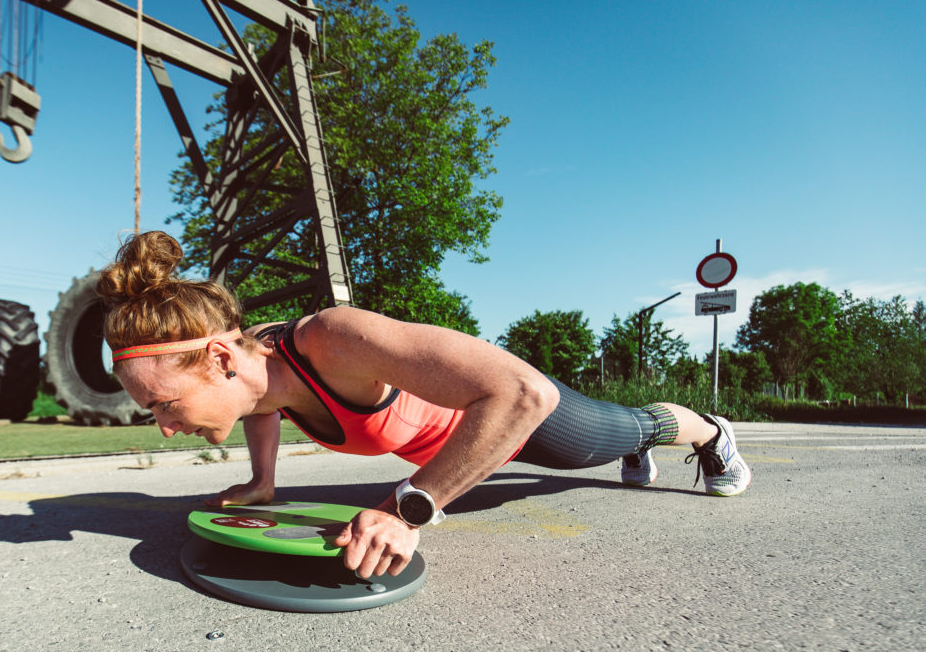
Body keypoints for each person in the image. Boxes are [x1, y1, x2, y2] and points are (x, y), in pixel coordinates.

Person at [98, 231, 752, 579]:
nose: (163, 427)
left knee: (625, 428)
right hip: (453, 446)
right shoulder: (254, 368)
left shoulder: (333, 339)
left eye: (164, 404)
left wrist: (410, 509)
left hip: (523, 430)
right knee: (620, 433)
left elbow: (525, 394)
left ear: (217, 359)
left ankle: (709, 432)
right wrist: (263, 481)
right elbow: (258, 406)